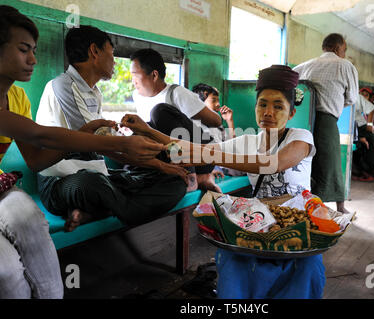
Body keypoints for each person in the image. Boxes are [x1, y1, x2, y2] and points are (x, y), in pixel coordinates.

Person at [0, 5, 165, 299]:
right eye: (24, 49)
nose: (33, 60)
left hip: (3, 186)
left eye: (34, 50)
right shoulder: (61, 86)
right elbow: (39, 135)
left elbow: (37, 160)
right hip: (65, 182)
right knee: (7, 271)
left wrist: (82, 137)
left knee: (31, 221)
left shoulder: (18, 97)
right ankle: (124, 208)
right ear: (94, 52)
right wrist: (119, 144)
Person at [121, 65, 326, 298]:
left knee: (304, 269)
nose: (268, 112)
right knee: (234, 261)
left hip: (298, 222)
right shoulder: (248, 141)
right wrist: (147, 130)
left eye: (278, 106)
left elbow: (274, 163)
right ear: (256, 107)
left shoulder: (300, 137)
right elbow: (192, 148)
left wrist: (211, 156)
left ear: (291, 114)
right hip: (260, 222)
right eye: (263, 104)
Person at [35, 25, 187, 231]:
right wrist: (158, 164)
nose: (114, 61)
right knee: (91, 184)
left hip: (100, 175)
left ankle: (97, 209)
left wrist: (162, 167)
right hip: (61, 181)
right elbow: (95, 143)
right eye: (112, 53)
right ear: (94, 52)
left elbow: (107, 144)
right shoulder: (62, 86)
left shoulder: (94, 93)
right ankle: (119, 209)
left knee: (174, 181)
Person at [130, 48, 222, 192]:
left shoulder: (177, 93)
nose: (133, 81)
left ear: (154, 75)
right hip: (172, 153)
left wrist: (184, 118)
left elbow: (217, 121)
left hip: (203, 153)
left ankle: (191, 177)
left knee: (159, 112)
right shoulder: (137, 96)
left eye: (135, 75)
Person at [293, 33, 358, 215]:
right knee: (331, 164)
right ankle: (339, 207)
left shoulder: (303, 66)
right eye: (344, 50)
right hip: (326, 120)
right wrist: (336, 103)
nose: (344, 54)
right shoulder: (345, 66)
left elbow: (292, 89)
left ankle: (304, 203)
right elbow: (352, 98)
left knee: (305, 163)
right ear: (338, 49)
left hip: (301, 121)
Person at [192, 83, 245, 177]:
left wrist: (229, 121)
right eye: (213, 100)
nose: (218, 104)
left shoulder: (217, 126)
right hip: (209, 165)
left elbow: (232, 146)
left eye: (218, 100)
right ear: (200, 103)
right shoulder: (194, 124)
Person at [352, 90, 374, 181]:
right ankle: (362, 171)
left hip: (360, 127)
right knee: (360, 145)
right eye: (363, 94)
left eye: (366, 95)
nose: (364, 96)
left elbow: (372, 109)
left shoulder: (357, 97)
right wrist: (359, 138)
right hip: (350, 128)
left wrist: (369, 124)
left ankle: (367, 169)